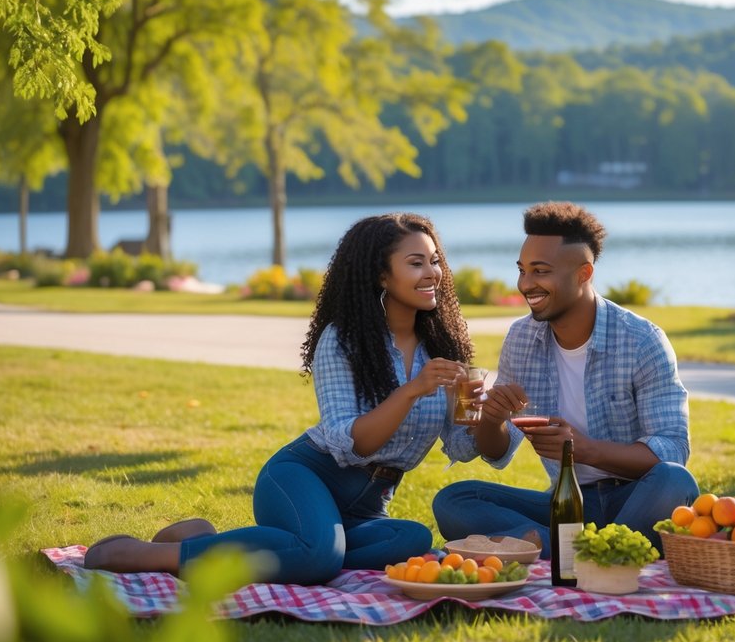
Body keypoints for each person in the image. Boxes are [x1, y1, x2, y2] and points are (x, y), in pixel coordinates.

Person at [84, 212, 482, 584]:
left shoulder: (440, 349)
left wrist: (492, 417)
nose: (433, 273)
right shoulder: (343, 340)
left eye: (435, 261)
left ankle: (215, 539)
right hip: (302, 477)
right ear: (381, 274)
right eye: (417, 263)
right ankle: (147, 556)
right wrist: (412, 390)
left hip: (365, 508)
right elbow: (353, 441)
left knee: (411, 540)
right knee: (321, 556)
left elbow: (463, 445)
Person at [433, 201, 698, 555]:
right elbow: (498, 451)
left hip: (637, 496)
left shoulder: (642, 341)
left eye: (540, 271)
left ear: (583, 274)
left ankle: (548, 547)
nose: (526, 284)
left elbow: (673, 449)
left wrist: (583, 450)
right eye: (522, 270)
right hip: (568, 504)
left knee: (674, 481)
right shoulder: (521, 339)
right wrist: (491, 420)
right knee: (455, 499)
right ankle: (594, 550)